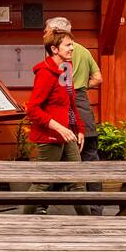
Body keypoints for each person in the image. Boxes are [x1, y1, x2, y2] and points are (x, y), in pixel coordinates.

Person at [45, 15, 102, 161]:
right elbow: (98, 79)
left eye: (47, 31)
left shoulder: (55, 53)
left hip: (62, 104)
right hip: (82, 102)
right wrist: (82, 84)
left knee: (64, 156)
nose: (45, 34)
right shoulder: (84, 51)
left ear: (56, 32)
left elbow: (57, 83)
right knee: (89, 153)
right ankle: (92, 185)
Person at [27, 28, 84, 163]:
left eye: (72, 44)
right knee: (44, 183)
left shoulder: (66, 68)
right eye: (68, 45)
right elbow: (32, 109)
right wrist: (59, 128)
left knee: (77, 180)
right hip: (50, 135)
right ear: (54, 49)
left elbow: (70, 102)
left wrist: (80, 128)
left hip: (67, 132)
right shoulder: (45, 73)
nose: (72, 48)